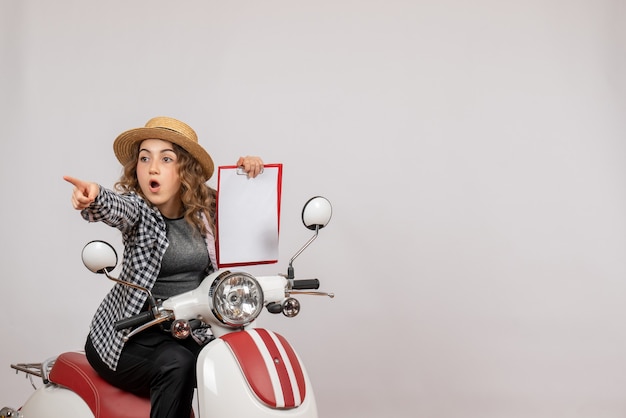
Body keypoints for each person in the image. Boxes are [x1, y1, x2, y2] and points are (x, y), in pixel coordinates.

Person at [63, 116, 264, 418]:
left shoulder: (207, 210)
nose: (152, 168)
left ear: (186, 169)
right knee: (177, 364)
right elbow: (118, 207)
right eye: (144, 159)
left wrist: (250, 174)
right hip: (131, 337)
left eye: (166, 159)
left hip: (188, 331)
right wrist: (94, 197)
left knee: (233, 359)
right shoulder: (140, 213)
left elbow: (246, 208)